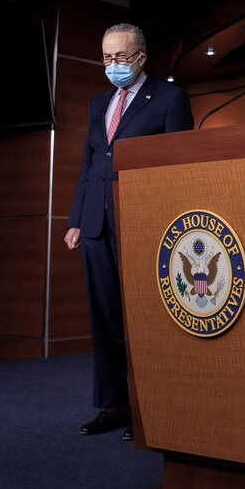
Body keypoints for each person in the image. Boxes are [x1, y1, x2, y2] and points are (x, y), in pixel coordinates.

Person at [64, 23, 193, 441]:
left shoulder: (170, 98)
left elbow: (180, 165)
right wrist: (76, 220)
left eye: (120, 56)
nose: (113, 65)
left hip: (144, 226)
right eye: (106, 57)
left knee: (145, 320)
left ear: (141, 57)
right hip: (97, 225)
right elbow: (89, 165)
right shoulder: (98, 103)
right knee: (105, 318)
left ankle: (150, 406)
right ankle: (115, 405)